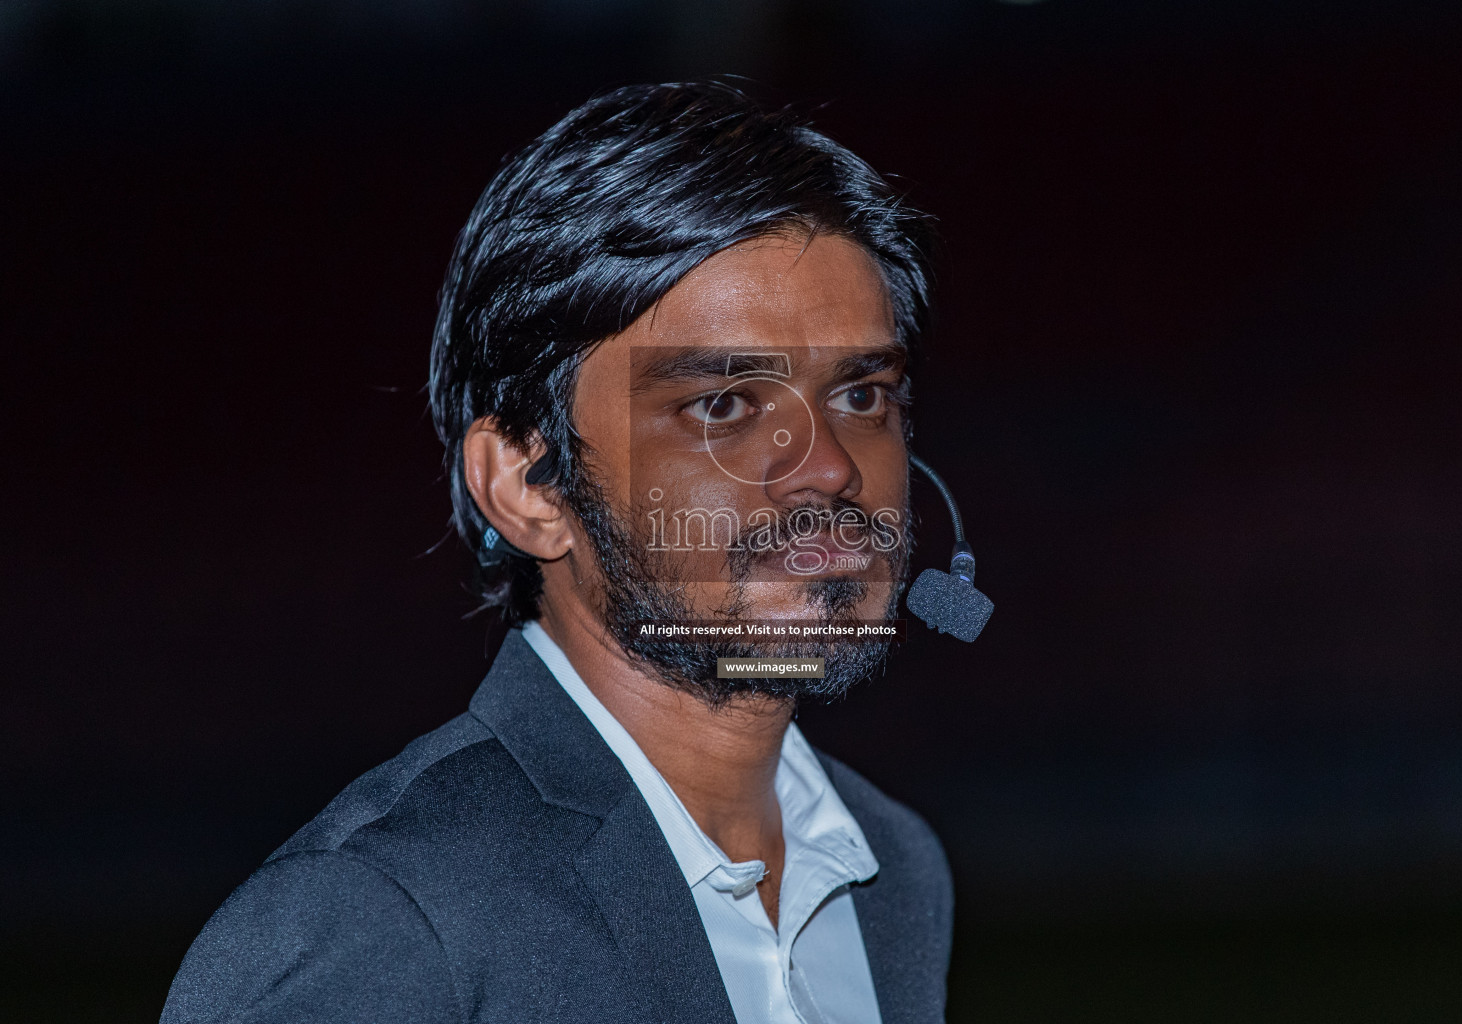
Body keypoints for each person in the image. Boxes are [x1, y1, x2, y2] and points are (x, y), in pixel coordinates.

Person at [161, 81, 953, 1024]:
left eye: (863, 395)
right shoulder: (383, 921)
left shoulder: (892, 874)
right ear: (529, 487)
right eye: (724, 405)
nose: (825, 466)